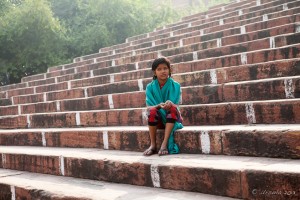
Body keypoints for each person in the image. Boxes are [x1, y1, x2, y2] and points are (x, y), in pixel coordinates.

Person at [143, 57, 183, 156]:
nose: (163, 71)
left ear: (169, 70)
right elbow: (148, 107)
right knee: (152, 111)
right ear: (154, 72)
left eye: (165, 68)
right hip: (158, 121)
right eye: (159, 69)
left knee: (173, 108)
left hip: (173, 119)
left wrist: (171, 104)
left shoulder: (176, 86)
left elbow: (178, 106)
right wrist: (158, 106)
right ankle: (153, 145)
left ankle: (164, 144)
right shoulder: (150, 87)